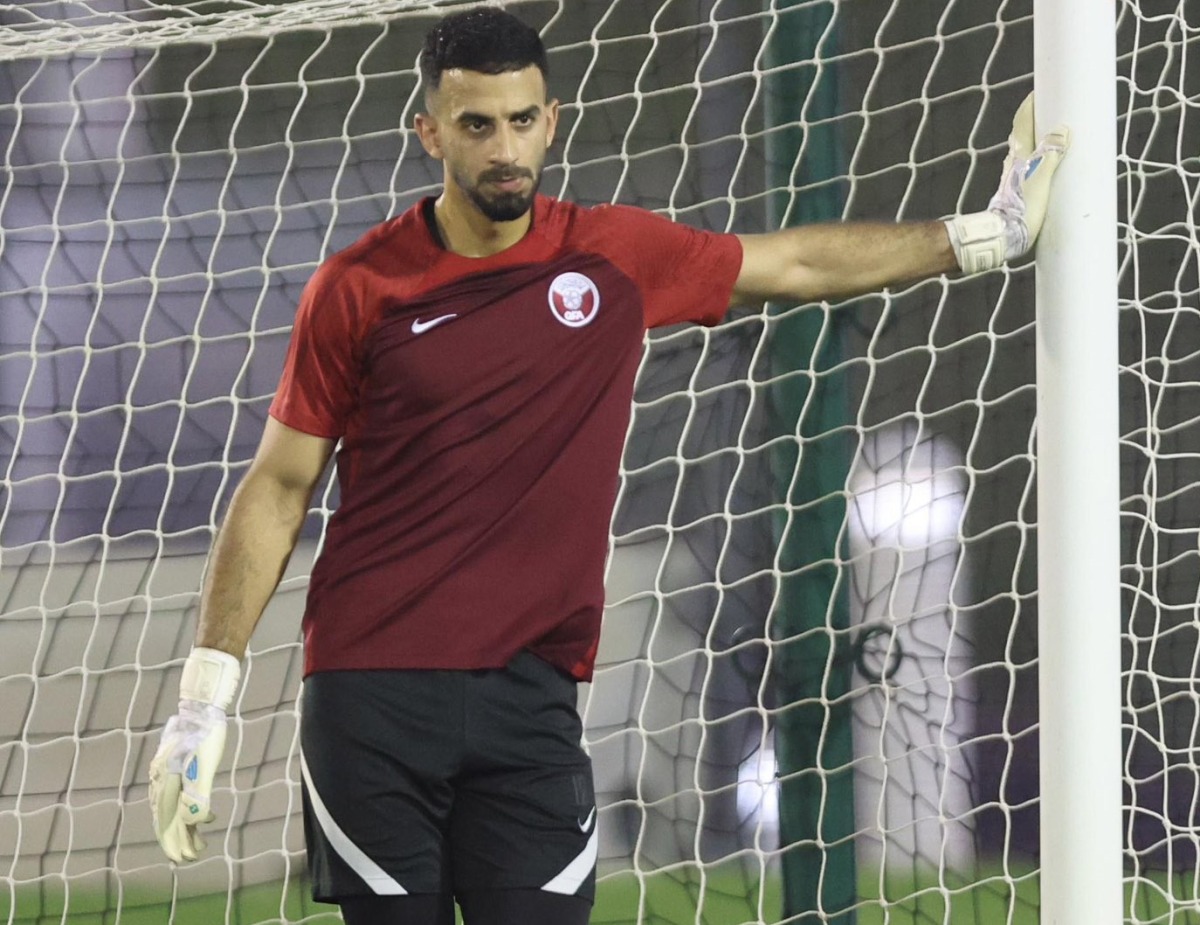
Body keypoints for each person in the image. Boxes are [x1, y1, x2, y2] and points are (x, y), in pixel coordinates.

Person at [148, 7, 1068, 925]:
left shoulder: (613, 256)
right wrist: (203, 698)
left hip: (533, 702)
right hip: (373, 699)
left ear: (551, 120)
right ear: (429, 132)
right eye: (476, 126)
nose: (503, 148)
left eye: (521, 120)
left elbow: (791, 263)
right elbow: (277, 485)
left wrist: (981, 234)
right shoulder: (357, 288)